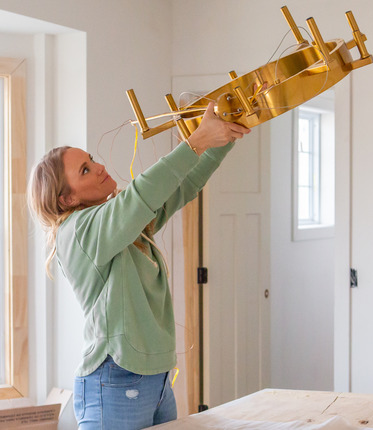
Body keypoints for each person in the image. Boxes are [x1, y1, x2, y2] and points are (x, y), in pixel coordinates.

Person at [27, 101, 251, 429]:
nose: (100, 166)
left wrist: (224, 140)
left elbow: (179, 188)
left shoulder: (117, 224)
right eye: (85, 170)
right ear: (67, 199)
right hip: (116, 379)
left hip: (153, 380)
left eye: (91, 159)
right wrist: (197, 141)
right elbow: (141, 196)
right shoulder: (78, 231)